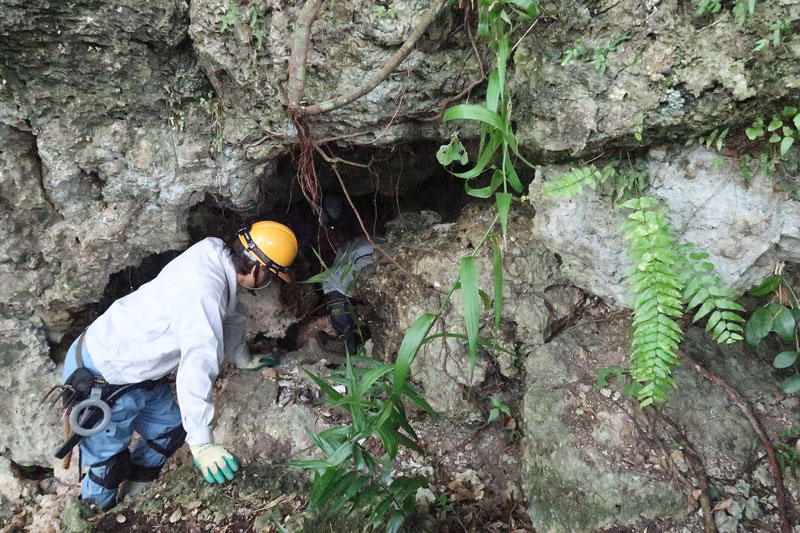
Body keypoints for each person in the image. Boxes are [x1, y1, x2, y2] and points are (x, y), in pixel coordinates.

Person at [59, 221, 298, 510]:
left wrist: (242, 358)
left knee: (169, 429)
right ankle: (96, 516)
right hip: (101, 374)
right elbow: (197, 366)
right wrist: (202, 443)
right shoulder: (203, 293)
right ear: (257, 268)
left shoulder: (213, 252)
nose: (265, 282)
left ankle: (133, 504)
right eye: (270, 275)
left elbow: (231, 311)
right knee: (107, 467)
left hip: (133, 368)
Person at [317, 235, 383, 355]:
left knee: (329, 279)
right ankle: (362, 329)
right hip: (387, 255)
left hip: (369, 261)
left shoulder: (346, 246)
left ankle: (346, 340)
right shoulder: (369, 237)